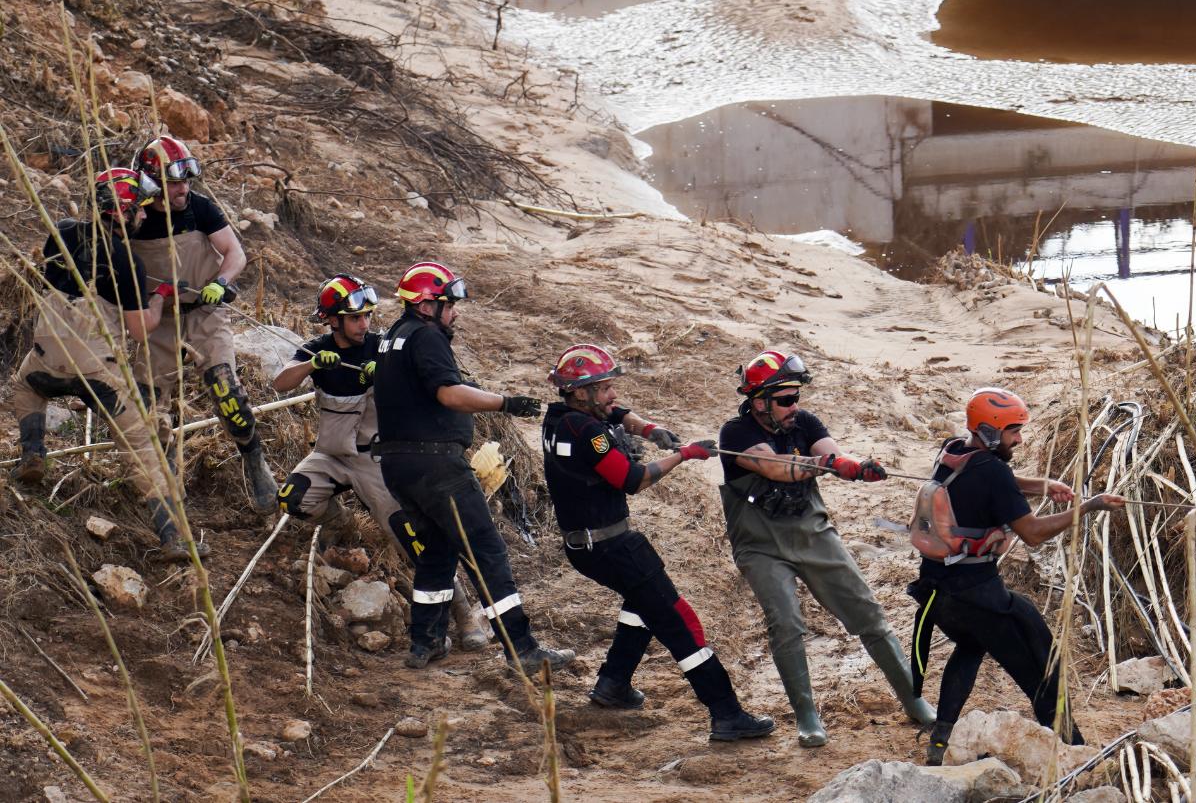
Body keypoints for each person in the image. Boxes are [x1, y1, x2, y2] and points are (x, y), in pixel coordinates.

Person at [541, 343, 775, 741]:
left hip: (585, 546)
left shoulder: (560, 419)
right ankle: (726, 713)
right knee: (679, 621)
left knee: (641, 603)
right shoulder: (591, 434)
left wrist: (650, 429)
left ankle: (613, 683)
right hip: (612, 547)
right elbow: (632, 480)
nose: (612, 394)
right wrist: (684, 454)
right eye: (604, 387)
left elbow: (616, 413)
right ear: (580, 392)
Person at [716, 349, 934, 747]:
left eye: (796, 397)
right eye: (784, 399)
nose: (793, 406)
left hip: (814, 534)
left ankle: (915, 701)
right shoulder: (736, 433)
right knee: (785, 624)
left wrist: (856, 466)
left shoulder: (806, 423)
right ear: (758, 400)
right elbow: (775, 468)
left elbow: (832, 453)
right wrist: (833, 465)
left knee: (868, 613)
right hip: (761, 547)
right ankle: (807, 717)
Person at [906, 388, 1125, 765]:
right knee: (1039, 665)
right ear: (991, 432)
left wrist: (1043, 485)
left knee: (970, 648)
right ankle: (1074, 749)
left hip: (936, 592)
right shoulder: (993, 471)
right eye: (1012, 431)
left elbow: (995, 480)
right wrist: (1090, 506)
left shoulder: (953, 450)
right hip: (977, 598)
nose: (1019, 439)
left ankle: (939, 742)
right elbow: (1033, 534)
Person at [371, 261, 572, 673]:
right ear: (427, 306)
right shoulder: (426, 337)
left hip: (398, 466)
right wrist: (505, 402)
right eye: (450, 304)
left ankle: (424, 643)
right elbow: (448, 394)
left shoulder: (393, 337)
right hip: (436, 466)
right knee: (487, 552)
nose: (456, 312)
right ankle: (522, 650)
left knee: (437, 554)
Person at [272, 275, 489, 651]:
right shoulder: (318, 350)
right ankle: (342, 522)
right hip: (330, 455)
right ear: (333, 321)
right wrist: (310, 365)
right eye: (355, 318)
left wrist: (385, 375)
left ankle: (464, 612)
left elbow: (426, 384)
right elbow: (280, 382)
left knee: (415, 542)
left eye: (368, 317)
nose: (365, 325)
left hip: (376, 460)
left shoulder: (383, 347)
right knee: (293, 499)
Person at [10, 169, 199, 559]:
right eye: (139, 210)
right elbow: (139, 329)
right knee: (141, 444)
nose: (144, 217)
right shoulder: (127, 259)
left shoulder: (61, 230)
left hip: (46, 359)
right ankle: (174, 537)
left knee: (24, 387)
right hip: (98, 372)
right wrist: (159, 299)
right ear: (122, 212)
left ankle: (33, 451)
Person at [131, 135, 277, 513]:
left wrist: (220, 283)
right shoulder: (135, 218)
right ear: (152, 183)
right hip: (157, 319)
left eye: (185, 181)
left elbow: (234, 252)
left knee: (227, 391)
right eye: (175, 183)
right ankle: (167, 487)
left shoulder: (199, 208)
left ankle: (253, 459)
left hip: (204, 314)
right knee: (152, 407)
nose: (183, 189)